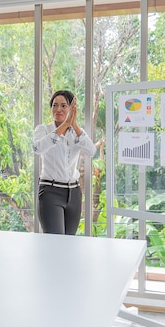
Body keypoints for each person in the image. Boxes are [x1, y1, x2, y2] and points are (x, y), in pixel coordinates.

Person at [32, 90, 96, 235]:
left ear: (71, 109)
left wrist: (73, 126)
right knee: (56, 243)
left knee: (69, 242)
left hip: (74, 193)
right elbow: (37, 148)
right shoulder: (43, 129)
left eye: (63, 106)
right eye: (55, 105)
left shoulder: (77, 133)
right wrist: (64, 125)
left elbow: (91, 151)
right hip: (50, 191)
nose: (58, 109)